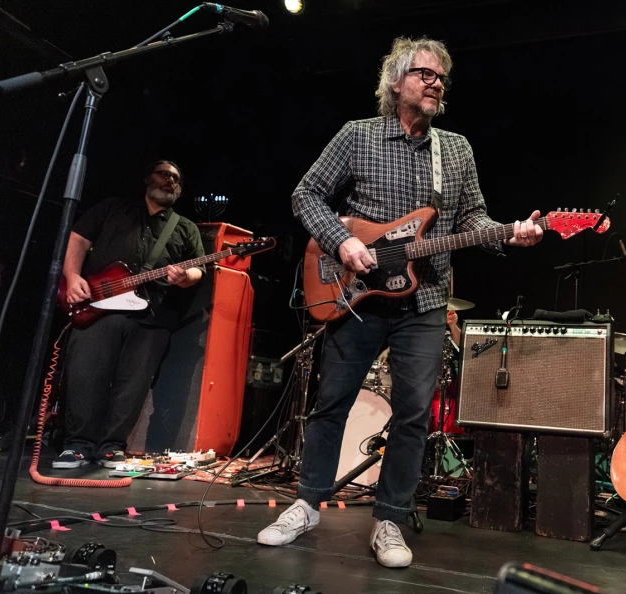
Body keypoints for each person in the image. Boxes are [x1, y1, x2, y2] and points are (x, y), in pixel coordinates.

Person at [259, 37, 543, 567]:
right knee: (331, 405)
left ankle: (390, 519)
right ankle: (305, 504)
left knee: (414, 416)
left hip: (426, 302)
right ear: (396, 82)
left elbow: (472, 220)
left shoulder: (454, 149)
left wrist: (510, 232)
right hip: (357, 298)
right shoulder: (357, 136)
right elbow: (306, 194)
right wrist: (342, 241)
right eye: (425, 74)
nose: (436, 82)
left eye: (441, 77)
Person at [55, 160, 205, 469]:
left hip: (153, 316)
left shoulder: (185, 227)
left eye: (177, 180)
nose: (171, 182)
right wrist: (72, 277)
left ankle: (112, 446)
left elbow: (198, 269)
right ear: (147, 177)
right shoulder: (112, 209)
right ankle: (78, 445)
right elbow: (79, 239)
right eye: (165, 175)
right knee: (86, 375)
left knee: (133, 384)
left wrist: (185, 277)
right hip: (98, 308)